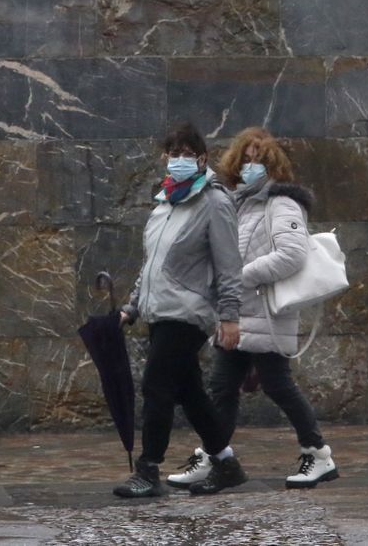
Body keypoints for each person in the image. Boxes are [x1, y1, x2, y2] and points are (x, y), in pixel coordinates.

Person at [168, 127, 338, 492]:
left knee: (277, 384)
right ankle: (215, 457)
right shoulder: (240, 203)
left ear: (273, 164)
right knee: (222, 387)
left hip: (266, 313)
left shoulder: (281, 203)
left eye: (258, 160)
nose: (250, 166)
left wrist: (239, 276)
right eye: (245, 159)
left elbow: (292, 254)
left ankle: (319, 453)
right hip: (236, 314)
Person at [113, 121, 247, 499]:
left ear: (203, 158)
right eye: (175, 153)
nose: (182, 160)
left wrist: (230, 316)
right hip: (159, 311)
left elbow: (228, 266)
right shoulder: (164, 204)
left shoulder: (215, 202)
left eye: (189, 154)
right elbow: (150, 266)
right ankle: (226, 463)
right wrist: (131, 308)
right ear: (164, 158)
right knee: (190, 393)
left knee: (157, 387)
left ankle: (148, 470)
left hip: (188, 313)